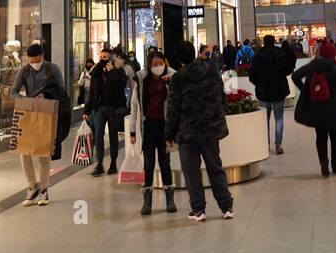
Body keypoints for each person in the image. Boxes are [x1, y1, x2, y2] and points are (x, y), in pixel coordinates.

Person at [165, 39, 234, 221]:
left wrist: (169, 135)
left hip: (187, 132)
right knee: (215, 167)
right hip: (211, 128)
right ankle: (226, 207)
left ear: (178, 59)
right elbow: (221, 94)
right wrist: (221, 113)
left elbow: (173, 110)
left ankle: (199, 210)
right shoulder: (211, 68)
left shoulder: (177, 79)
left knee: (191, 172)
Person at [11, 43, 66, 205]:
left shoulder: (52, 69)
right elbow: (14, 91)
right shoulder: (25, 70)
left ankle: (44, 189)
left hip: (47, 114)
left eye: (36, 60)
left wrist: (47, 97)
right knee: (24, 151)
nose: (33, 63)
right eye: (30, 61)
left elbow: (61, 91)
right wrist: (26, 101)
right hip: (28, 113)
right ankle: (32, 186)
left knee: (44, 153)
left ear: (41, 56)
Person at [291, 39, 336, 177]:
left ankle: (323, 162)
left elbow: (295, 76)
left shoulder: (313, 66)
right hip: (335, 109)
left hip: (317, 108)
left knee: (321, 137)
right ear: (333, 54)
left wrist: (305, 90)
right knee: (335, 138)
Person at [128, 50, 177, 215]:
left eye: (160, 63)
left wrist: (171, 84)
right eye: (155, 64)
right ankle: (147, 201)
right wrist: (132, 130)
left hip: (165, 127)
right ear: (149, 65)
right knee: (148, 165)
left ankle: (170, 198)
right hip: (148, 127)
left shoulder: (171, 78)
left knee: (165, 163)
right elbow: (134, 106)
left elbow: (176, 102)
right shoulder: (142, 81)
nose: (158, 67)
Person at [85, 44, 128, 175]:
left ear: (111, 59)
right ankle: (99, 164)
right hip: (100, 108)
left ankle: (113, 163)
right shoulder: (97, 71)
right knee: (98, 135)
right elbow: (92, 92)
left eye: (106, 58)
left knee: (113, 135)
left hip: (114, 108)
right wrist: (87, 110)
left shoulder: (119, 71)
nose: (103, 60)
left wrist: (112, 72)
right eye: (101, 57)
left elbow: (121, 86)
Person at [248, 34, 291, 155]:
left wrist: (258, 83)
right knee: (279, 118)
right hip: (279, 90)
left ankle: (265, 144)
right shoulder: (280, 54)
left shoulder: (258, 55)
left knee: (264, 119)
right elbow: (288, 69)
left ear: (263, 42)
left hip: (263, 91)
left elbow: (252, 74)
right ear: (274, 42)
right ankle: (278, 144)